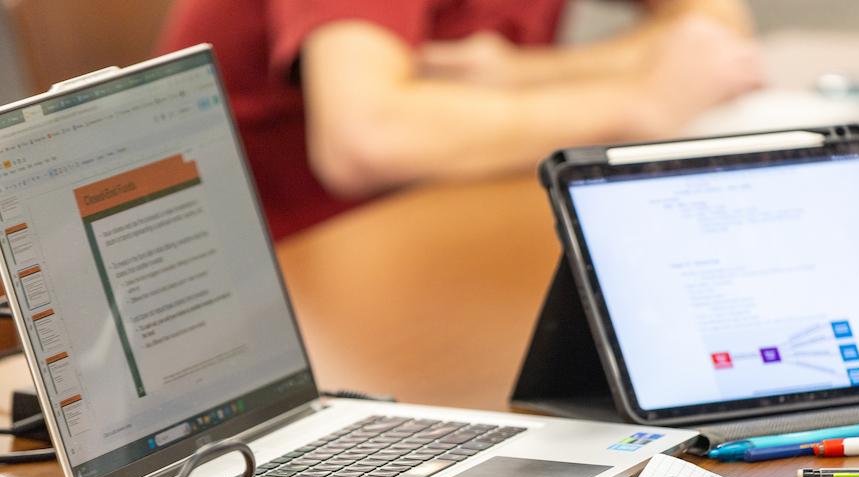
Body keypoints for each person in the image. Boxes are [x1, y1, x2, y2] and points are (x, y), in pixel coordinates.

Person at [157, 0, 764, 239]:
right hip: (289, 283)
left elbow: (712, 35)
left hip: (441, 224)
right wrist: (633, 103)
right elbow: (367, 138)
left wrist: (524, 75)